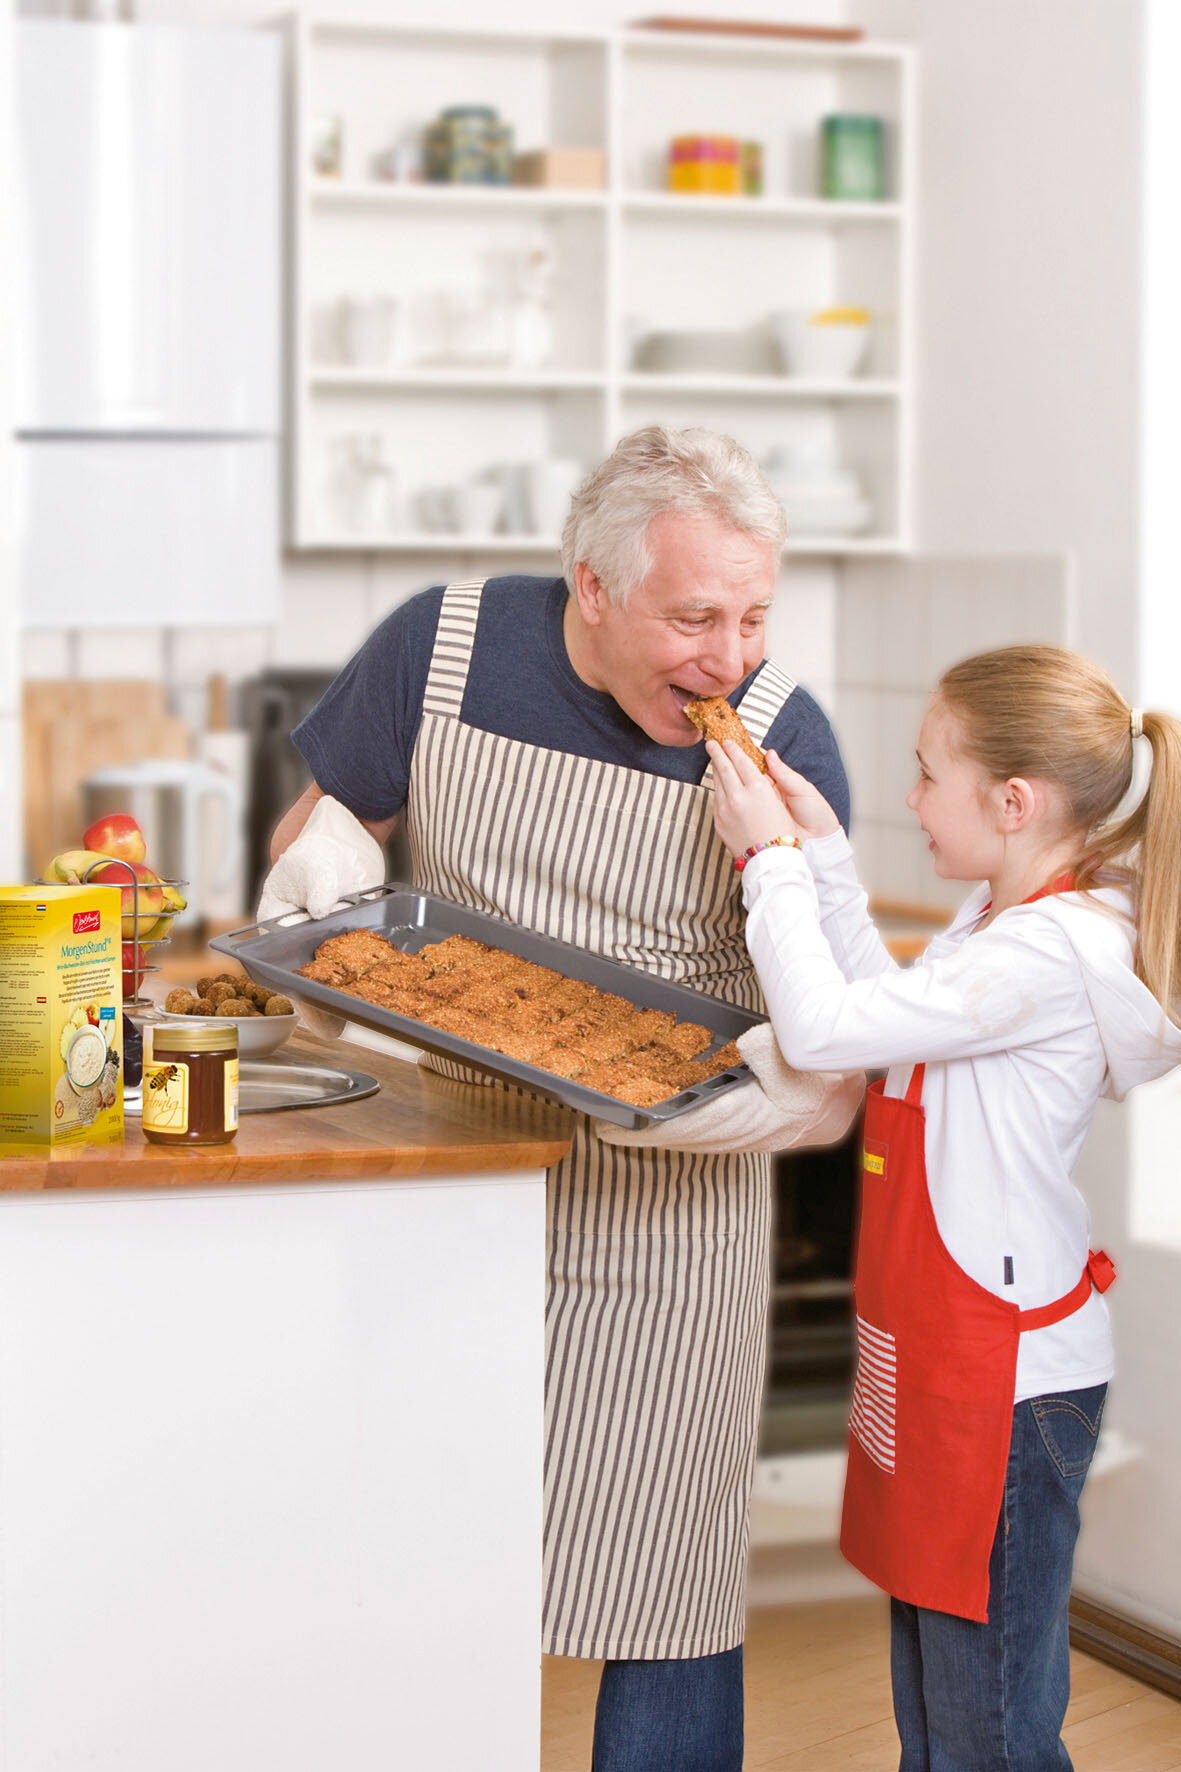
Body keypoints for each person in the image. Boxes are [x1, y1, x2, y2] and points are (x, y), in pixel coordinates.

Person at [259, 426, 864, 1772]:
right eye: (694, 617)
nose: (731, 659)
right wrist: (321, 860)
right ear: (591, 589)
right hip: (443, 1179)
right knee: (409, 1548)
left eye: (756, 614)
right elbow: (319, 829)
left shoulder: (781, 739)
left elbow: (832, 1006)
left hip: (667, 1215)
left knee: (665, 1584)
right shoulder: (445, 647)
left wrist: (782, 1095)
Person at [704, 643, 1181, 1771]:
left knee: (987, 1732)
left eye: (925, 774)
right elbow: (885, 1009)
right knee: (938, 1709)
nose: (908, 797)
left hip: (1000, 1386)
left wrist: (764, 859)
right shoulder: (998, 920)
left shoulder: (1051, 951)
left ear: (1011, 801)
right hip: (942, 1356)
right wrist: (820, 852)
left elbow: (824, 1030)